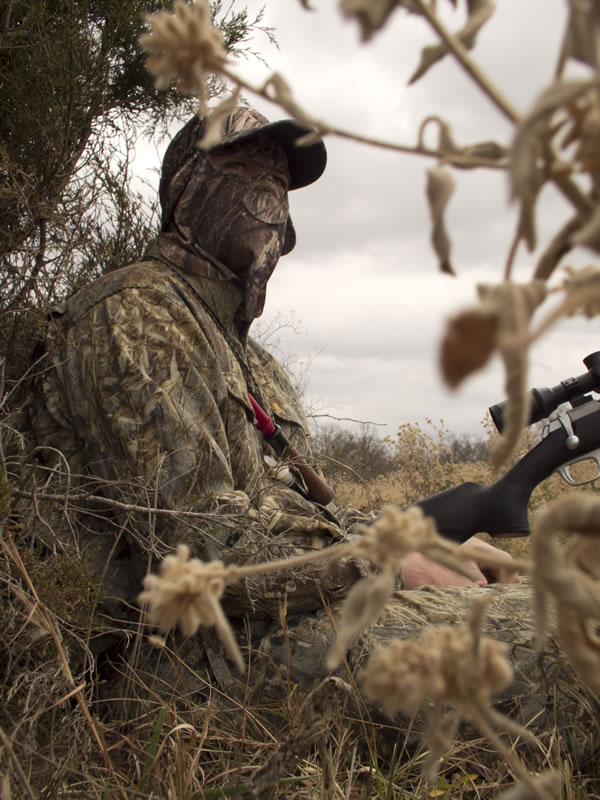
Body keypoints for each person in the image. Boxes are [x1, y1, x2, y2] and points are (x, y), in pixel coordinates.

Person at [22, 108, 592, 751]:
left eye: (279, 177)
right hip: (164, 665)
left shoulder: (251, 359)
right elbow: (202, 550)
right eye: (241, 166)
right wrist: (385, 564)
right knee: (562, 652)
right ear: (186, 191)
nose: (267, 188)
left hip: (266, 623)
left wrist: (428, 547)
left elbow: (291, 514)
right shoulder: (134, 313)